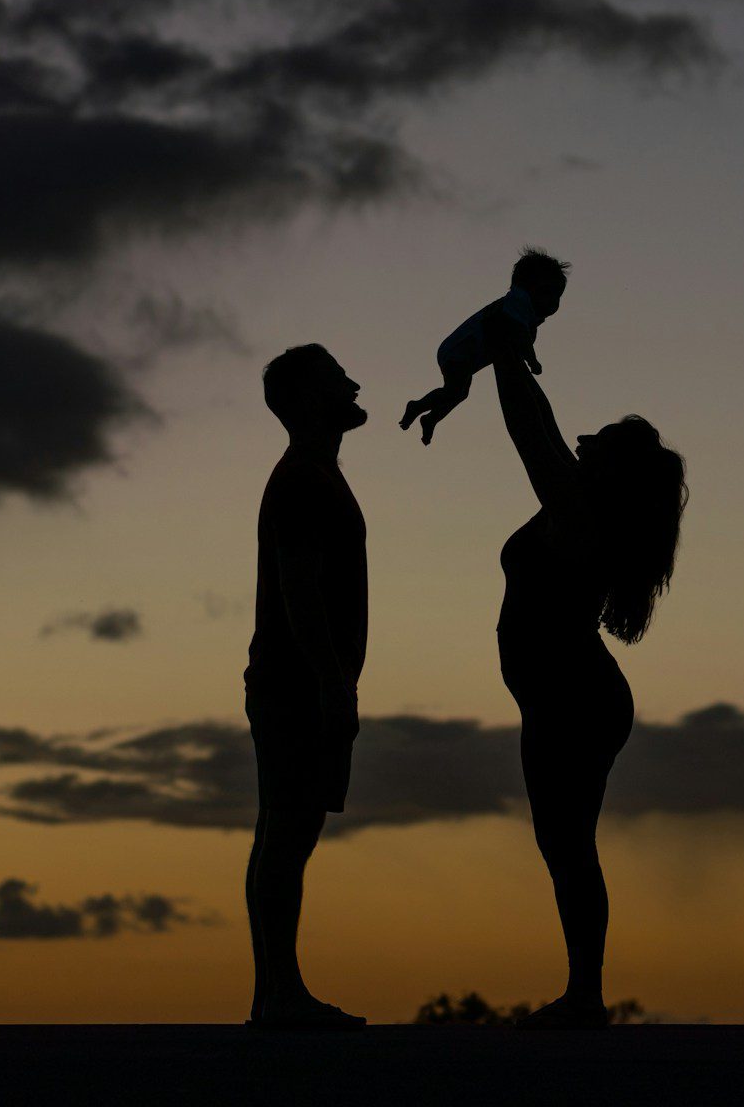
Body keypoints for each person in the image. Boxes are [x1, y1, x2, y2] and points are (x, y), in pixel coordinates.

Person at [485, 308, 688, 1029]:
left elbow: (527, 437)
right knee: (566, 844)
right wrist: (513, 356)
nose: (582, 438)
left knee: (566, 844)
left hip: (573, 698)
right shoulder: (581, 503)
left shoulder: (578, 514)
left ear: (609, 468)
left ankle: (584, 997)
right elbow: (542, 424)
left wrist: (502, 355)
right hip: (568, 697)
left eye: (596, 439)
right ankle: (584, 994)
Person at [242, 344, 369, 1029]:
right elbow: (299, 590)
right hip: (297, 687)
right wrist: (332, 686)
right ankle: (280, 998)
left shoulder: (314, 476)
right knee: (287, 832)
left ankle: (275, 997)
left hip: (296, 684)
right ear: (302, 401)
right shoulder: (304, 483)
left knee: (284, 832)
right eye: (334, 378)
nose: (351, 383)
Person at [398, 247, 568, 445]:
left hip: (467, 354)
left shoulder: (527, 314)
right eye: (547, 293)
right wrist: (532, 360)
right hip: (459, 350)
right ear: (526, 286)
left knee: (459, 393)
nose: (553, 303)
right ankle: (417, 407)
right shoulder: (517, 301)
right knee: (455, 391)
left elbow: (524, 336)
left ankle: (430, 418)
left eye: (557, 297)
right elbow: (519, 334)